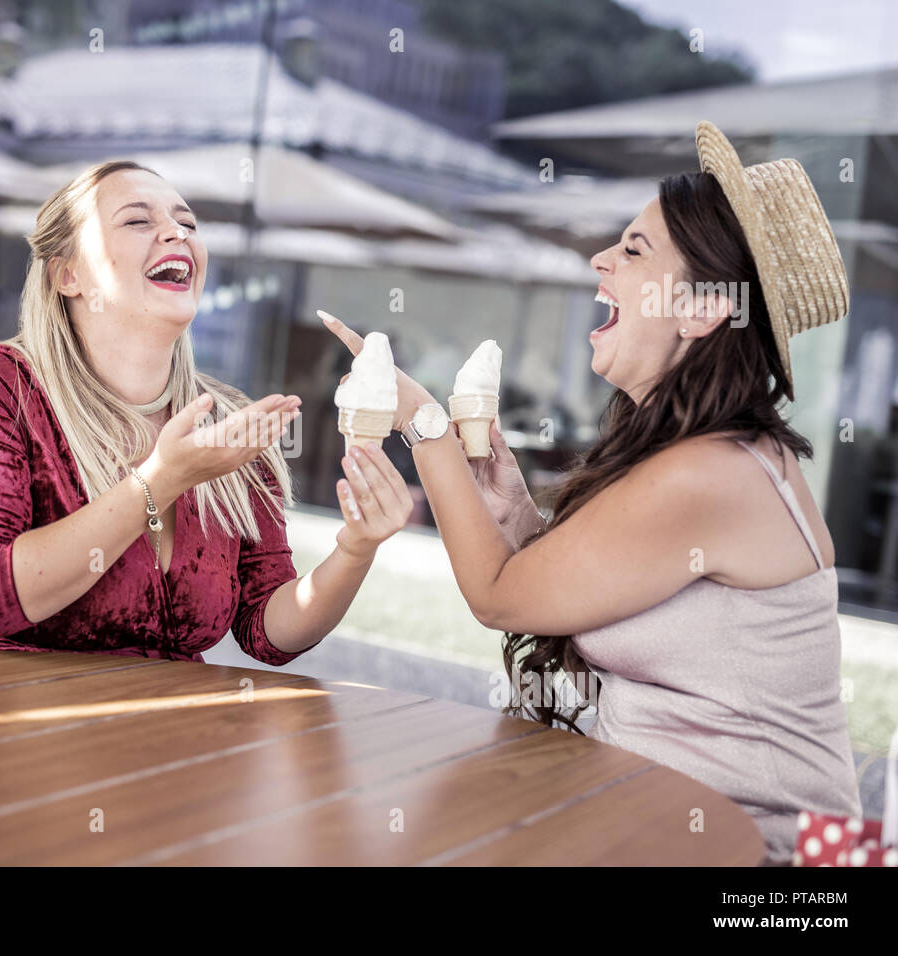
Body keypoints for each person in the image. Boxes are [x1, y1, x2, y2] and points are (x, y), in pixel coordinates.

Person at [322, 122, 861, 865]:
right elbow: (560, 587)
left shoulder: (711, 475)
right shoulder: (709, 458)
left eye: (635, 250)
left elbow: (499, 598)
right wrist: (513, 512)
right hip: (651, 823)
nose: (601, 259)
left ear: (705, 310)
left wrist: (423, 423)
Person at [0, 160, 413, 666]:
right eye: (137, 221)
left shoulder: (226, 420)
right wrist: (161, 480)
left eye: (187, 224)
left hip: (149, 733)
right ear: (69, 273)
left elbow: (266, 629)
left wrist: (355, 548)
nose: (177, 233)